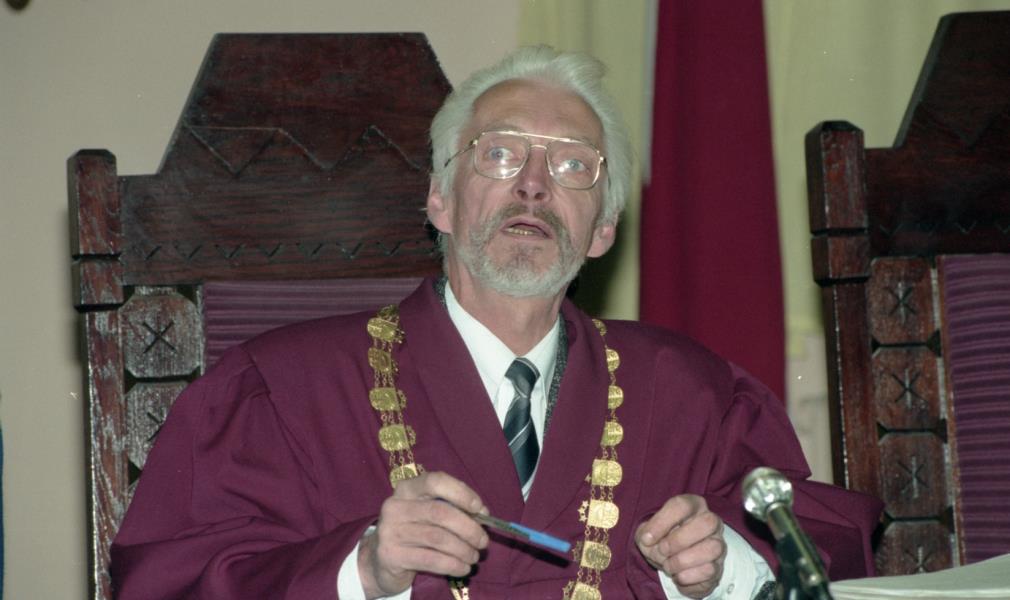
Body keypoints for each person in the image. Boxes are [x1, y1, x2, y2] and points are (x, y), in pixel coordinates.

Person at [110, 46, 881, 599]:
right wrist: (363, 571)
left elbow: (828, 559)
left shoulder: (692, 392)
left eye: (574, 165)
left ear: (603, 228)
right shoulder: (279, 389)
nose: (535, 185)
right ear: (440, 200)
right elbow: (170, 582)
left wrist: (722, 575)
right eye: (501, 154)